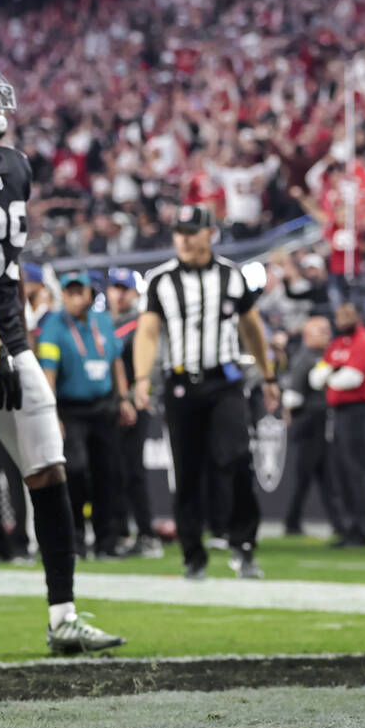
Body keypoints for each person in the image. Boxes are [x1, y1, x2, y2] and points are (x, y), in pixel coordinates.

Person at [0, 52, 125, 652]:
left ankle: (63, 616)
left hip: (11, 339)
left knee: (49, 468)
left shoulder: (15, 165)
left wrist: (14, 344)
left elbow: (6, 271)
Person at [133, 206, 280, 580]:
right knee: (187, 470)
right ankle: (193, 555)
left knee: (236, 458)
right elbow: (147, 332)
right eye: (178, 231)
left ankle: (243, 544)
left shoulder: (231, 275)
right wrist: (140, 379)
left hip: (224, 380)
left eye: (191, 231)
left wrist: (268, 375)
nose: (183, 237)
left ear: (209, 234)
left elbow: (252, 327)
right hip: (180, 383)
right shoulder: (160, 280)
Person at [38, 273, 134, 559]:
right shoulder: (53, 326)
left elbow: (116, 361)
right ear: (64, 295)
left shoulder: (103, 321)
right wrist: (51, 413)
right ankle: (76, 537)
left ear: (91, 295)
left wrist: (124, 399)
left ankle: (107, 540)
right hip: (72, 409)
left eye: (82, 292)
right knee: (76, 471)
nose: (77, 298)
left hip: (103, 407)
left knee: (108, 472)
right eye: (72, 292)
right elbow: (48, 372)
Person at [310, 303, 365, 547]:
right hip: (339, 414)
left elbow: (351, 379)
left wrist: (331, 374)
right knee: (341, 471)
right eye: (340, 315)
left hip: (360, 412)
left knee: (357, 472)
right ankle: (349, 528)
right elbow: (316, 376)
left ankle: (362, 530)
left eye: (348, 315)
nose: (343, 319)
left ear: (358, 316)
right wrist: (333, 373)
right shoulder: (338, 344)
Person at [106, 268, 162, 558]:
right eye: (114, 288)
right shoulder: (104, 323)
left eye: (123, 288)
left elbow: (151, 366)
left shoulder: (141, 323)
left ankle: (146, 533)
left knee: (133, 471)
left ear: (135, 293)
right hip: (109, 407)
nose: (118, 293)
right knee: (113, 472)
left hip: (134, 404)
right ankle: (118, 532)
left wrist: (133, 398)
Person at [281, 317, 344, 536]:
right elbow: (291, 397)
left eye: (328, 329)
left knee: (324, 478)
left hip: (316, 424)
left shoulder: (319, 356)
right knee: (305, 478)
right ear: (308, 334)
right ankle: (292, 522)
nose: (327, 333)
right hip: (308, 424)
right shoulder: (305, 358)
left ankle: (337, 523)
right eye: (321, 330)